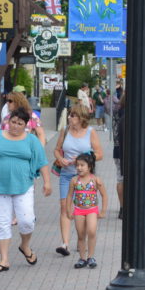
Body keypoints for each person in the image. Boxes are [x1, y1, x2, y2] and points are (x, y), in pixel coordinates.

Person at [0, 110, 53, 273]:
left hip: (23, 186)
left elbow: (42, 161)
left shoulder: (31, 140)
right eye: (13, 122)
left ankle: (25, 246)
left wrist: (47, 182)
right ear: (8, 121)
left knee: (27, 221)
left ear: (26, 125)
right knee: (2, 223)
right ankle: (4, 260)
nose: (15, 126)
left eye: (20, 123)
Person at [52, 103, 103, 256]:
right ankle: (65, 244)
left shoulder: (90, 132)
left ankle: (82, 239)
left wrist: (82, 159)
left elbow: (99, 154)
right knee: (64, 205)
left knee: (84, 208)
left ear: (81, 118)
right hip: (67, 174)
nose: (69, 117)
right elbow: (56, 149)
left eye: (72, 115)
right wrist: (60, 158)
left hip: (85, 177)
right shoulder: (65, 130)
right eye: (69, 114)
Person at [65, 152, 106, 269]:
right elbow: (69, 196)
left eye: (82, 165)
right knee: (81, 235)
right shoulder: (74, 180)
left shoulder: (96, 180)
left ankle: (91, 256)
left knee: (92, 231)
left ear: (90, 166)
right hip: (78, 210)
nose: (79, 168)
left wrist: (103, 211)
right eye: (77, 165)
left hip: (92, 210)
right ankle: (82, 258)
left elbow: (104, 195)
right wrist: (68, 210)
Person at [110, 89, 125, 219]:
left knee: (120, 179)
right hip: (127, 150)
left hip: (117, 149)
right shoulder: (130, 114)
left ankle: (122, 208)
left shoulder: (117, 111)